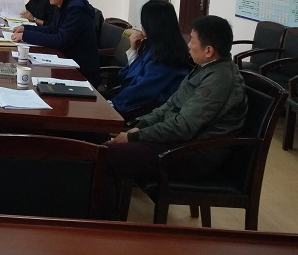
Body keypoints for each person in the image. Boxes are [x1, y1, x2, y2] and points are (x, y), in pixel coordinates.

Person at [102, 15, 248, 220]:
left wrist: (135, 136)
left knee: (105, 155)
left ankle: (106, 225)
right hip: (176, 143)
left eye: (193, 41)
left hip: (190, 154)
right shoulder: (205, 68)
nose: (188, 45)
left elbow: (184, 126)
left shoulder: (219, 80)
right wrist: (139, 126)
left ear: (209, 50)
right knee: (104, 144)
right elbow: (169, 106)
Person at [11, 0, 98, 85]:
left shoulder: (77, 10)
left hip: (80, 72)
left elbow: (60, 40)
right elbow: (52, 29)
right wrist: (26, 28)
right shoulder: (62, 5)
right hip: (64, 63)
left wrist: (25, 36)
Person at [108, 0, 192, 115]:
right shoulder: (154, 45)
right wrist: (133, 50)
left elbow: (142, 91)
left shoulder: (167, 56)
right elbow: (126, 77)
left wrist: (113, 104)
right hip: (129, 102)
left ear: (153, 24)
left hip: (141, 111)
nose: (141, 25)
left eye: (144, 22)